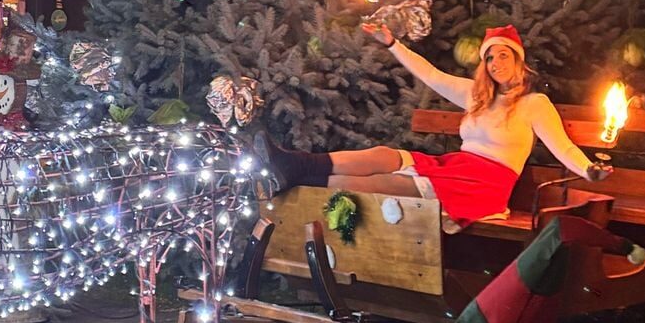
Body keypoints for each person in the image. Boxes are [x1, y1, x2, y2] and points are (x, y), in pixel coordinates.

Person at [255, 24, 610, 226]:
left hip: (486, 184)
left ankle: (296, 179)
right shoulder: (477, 95)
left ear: (519, 61)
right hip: (455, 168)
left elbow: (562, 147)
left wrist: (588, 169)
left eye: (504, 55)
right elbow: (430, 74)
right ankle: (296, 165)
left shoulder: (535, 105)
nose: (496, 63)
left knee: (383, 183)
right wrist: (393, 43)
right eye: (489, 58)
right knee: (383, 155)